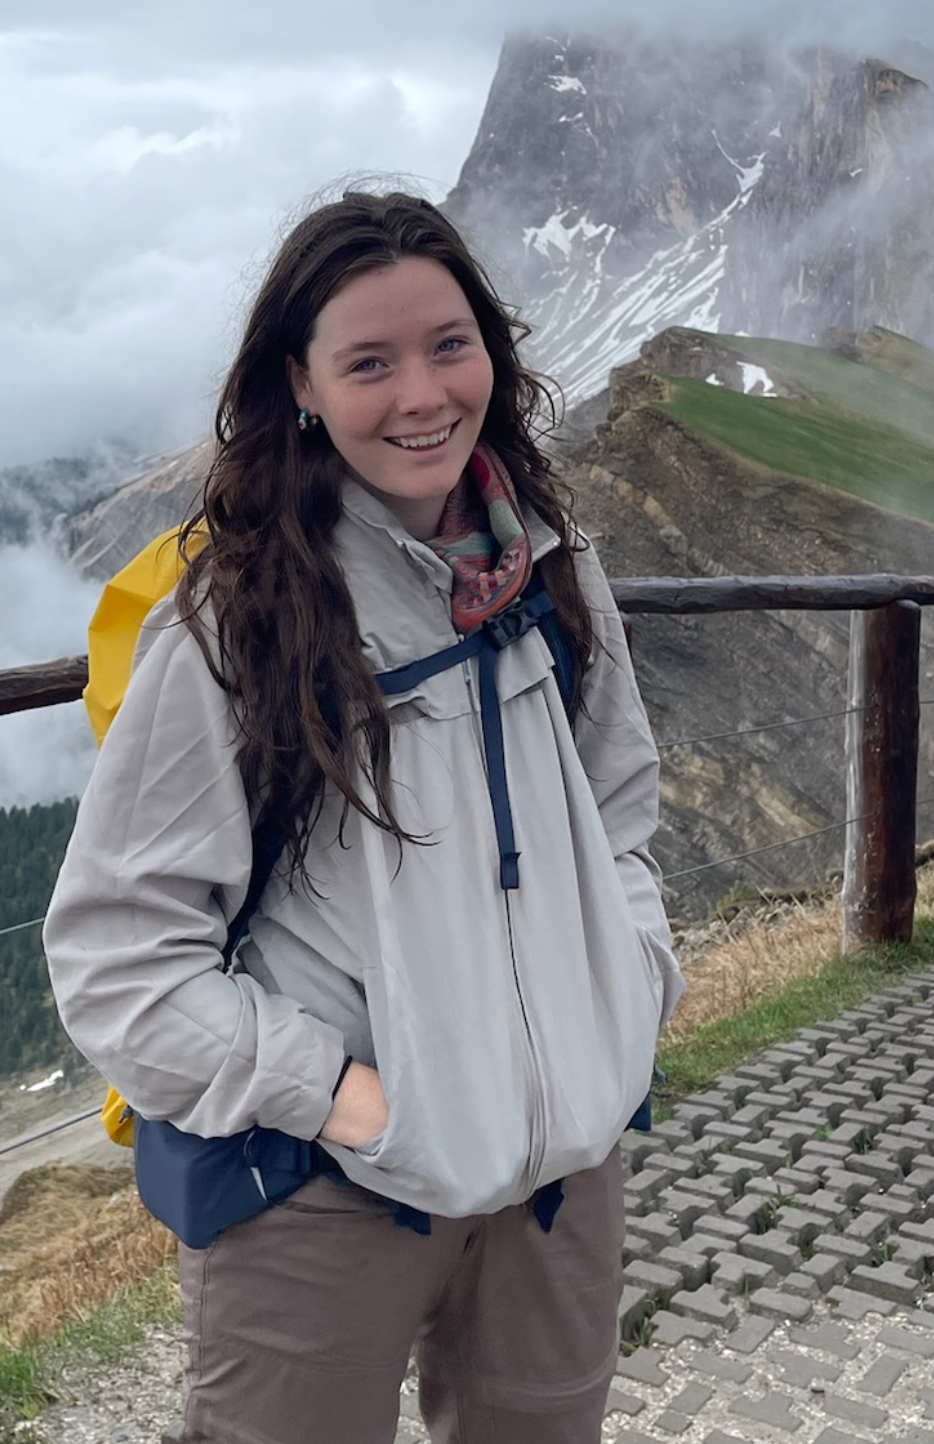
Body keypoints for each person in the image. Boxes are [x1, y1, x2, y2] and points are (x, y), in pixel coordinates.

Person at [44, 189, 684, 1444]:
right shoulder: (237, 620)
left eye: (450, 344)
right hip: (324, 1186)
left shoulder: (549, 564)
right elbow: (117, 955)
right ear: (301, 383)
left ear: (493, 352)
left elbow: (618, 812)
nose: (423, 394)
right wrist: (347, 1098)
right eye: (369, 362)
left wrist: (629, 991)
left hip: (561, 1171)